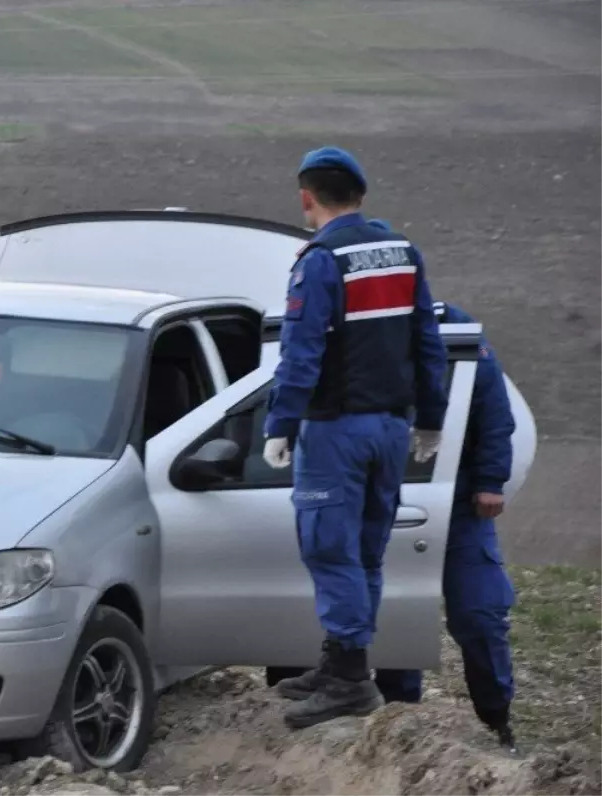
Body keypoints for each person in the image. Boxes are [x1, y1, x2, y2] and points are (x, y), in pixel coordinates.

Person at [266, 219, 521, 752]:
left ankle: (497, 720)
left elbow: (493, 413)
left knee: (478, 615)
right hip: (391, 482)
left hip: (454, 499)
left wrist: (490, 480)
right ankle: (398, 708)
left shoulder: (447, 328)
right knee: (389, 602)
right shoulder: (364, 337)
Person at [261, 147, 449, 730]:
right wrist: (432, 418)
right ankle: (342, 662)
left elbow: (302, 353)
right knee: (365, 553)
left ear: (306, 198)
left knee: (328, 548)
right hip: (391, 428)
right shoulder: (400, 253)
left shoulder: (320, 260)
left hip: (336, 429)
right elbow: (427, 340)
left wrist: (280, 424)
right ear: (360, 197)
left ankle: (347, 681)